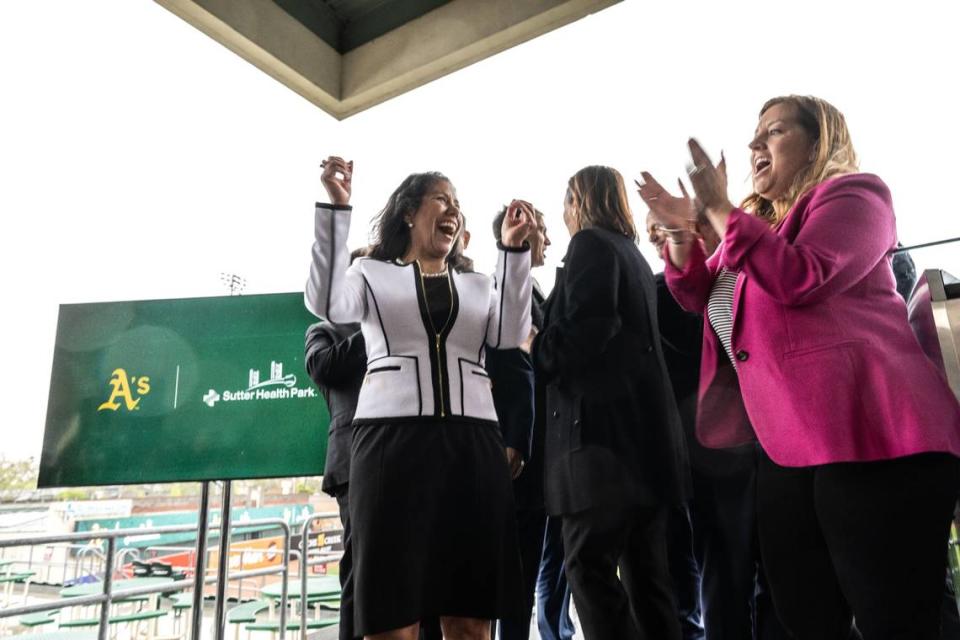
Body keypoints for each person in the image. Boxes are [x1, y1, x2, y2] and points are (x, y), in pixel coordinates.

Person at [638, 95, 960, 639]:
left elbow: (801, 276)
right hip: (789, 449)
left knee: (898, 618)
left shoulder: (858, 195)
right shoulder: (760, 228)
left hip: (875, 441)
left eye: (774, 131)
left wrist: (718, 209)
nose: (754, 145)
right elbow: (696, 291)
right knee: (803, 617)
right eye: (754, 134)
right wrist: (678, 231)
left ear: (818, 142)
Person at [305, 156, 536, 640]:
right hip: (391, 450)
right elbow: (326, 302)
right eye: (442, 199)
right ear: (410, 212)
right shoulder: (370, 274)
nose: (453, 210)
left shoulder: (478, 285)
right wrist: (335, 208)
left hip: (473, 449)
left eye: (457, 204)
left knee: (472, 620)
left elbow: (511, 333)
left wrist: (514, 255)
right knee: (392, 619)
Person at [533, 165, 690, 640]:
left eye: (566, 204)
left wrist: (536, 346)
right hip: (647, 454)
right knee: (648, 582)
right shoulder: (635, 258)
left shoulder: (590, 246)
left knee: (588, 571)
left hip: (598, 453)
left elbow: (586, 334)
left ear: (578, 202)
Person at [648, 213, 786, 640]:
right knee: (724, 576)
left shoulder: (741, 269)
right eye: (653, 230)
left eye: (667, 226)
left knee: (778, 571)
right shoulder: (660, 290)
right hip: (709, 454)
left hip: (769, 439)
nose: (659, 236)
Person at [487, 205, 553, 640]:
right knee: (514, 581)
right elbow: (514, 368)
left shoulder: (533, 291)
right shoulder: (511, 293)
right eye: (542, 231)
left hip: (533, 454)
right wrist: (519, 442)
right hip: (519, 459)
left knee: (524, 579)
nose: (548, 239)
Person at [304, 311, 365, 640]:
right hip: (353, 462)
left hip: (404, 456)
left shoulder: (401, 327)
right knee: (360, 564)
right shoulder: (322, 331)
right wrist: (373, 330)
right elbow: (322, 367)